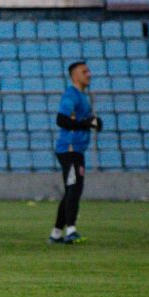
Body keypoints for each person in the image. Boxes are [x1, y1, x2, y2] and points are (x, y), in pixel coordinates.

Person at [50, 61, 101, 245]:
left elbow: (79, 120)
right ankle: (71, 230)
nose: (89, 74)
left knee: (71, 190)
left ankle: (56, 234)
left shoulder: (82, 96)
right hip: (69, 149)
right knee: (74, 188)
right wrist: (87, 123)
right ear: (74, 76)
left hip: (76, 149)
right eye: (84, 71)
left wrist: (93, 122)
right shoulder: (71, 95)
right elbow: (61, 119)